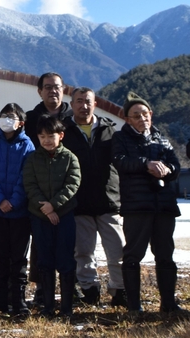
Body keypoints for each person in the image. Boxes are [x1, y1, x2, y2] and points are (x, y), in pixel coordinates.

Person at [112, 92, 184, 316]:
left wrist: (167, 169)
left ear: (151, 114)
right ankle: (134, 307)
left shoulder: (161, 138)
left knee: (165, 255)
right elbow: (121, 162)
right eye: (136, 115)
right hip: (137, 206)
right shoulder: (120, 138)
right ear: (128, 119)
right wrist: (147, 164)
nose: (142, 118)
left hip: (163, 205)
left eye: (145, 114)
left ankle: (169, 304)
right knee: (133, 255)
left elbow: (175, 165)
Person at [62, 87, 126, 307]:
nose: (84, 105)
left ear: (95, 104)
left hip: (108, 201)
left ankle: (119, 290)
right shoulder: (65, 132)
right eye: (79, 101)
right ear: (72, 105)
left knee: (117, 250)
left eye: (88, 101)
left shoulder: (109, 130)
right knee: (83, 252)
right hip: (79, 203)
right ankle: (90, 289)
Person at [23, 115, 81, 317]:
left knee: (65, 260)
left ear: (61, 136)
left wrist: (54, 206)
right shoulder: (32, 159)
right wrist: (45, 209)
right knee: (44, 261)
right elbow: (29, 185)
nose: (47, 140)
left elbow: (72, 184)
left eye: (51, 136)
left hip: (64, 215)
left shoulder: (70, 158)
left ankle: (66, 308)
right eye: (42, 136)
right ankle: (47, 307)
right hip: (39, 217)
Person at [0, 103, 35, 317]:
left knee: (19, 259)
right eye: (4, 116)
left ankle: (19, 301)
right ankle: (0, 300)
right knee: (0, 257)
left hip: (20, 212)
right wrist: (0, 200)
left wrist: (13, 200)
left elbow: (26, 177)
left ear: (21, 122)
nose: (6, 120)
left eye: (11, 117)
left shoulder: (28, 145)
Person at [24, 72, 73, 303]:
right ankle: (43, 288)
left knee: (68, 246)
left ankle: (70, 290)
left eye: (57, 87)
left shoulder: (72, 118)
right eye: (47, 87)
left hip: (66, 196)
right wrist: (43, 202)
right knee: (40, 247)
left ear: (64, 89)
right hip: (39, 196)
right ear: (39, 91)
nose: (52, 91)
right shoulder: (31, 118)